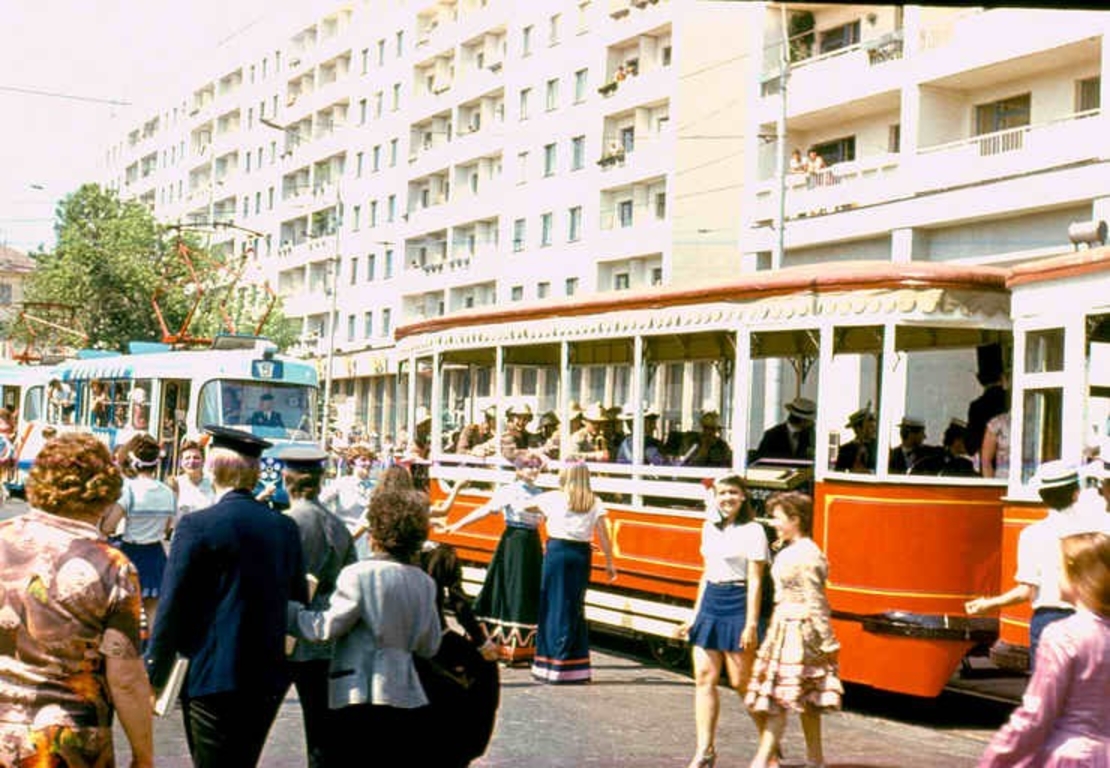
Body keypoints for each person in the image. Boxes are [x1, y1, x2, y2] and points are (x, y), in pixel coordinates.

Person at [146, 426, 308, 768]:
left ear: (212, 469)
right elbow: (297, 600)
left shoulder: (197, 525)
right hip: (266, 675)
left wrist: (153, 673)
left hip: (210, 671)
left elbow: (172, 605)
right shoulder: (284, 528)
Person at [0, 433, 154, 767]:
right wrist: (143, 756)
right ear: (105, 493)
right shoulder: (113, 567)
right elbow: (125, 680)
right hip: (66, 743)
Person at [286, 489, 442, 765]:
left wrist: (290, 611)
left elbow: (325, 628)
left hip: (357, 690)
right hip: (405, 692)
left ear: (376, 533)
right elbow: (430, 645)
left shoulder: (358, 574)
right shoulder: (424, 583)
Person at [978, 531, 1110, 767]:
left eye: (1059, 570)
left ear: (1078, 576)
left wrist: (994, 759)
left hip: (1070, 757)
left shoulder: (1063, 635)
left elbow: (1036, 716)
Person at [965, 461, 1098, 668]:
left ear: (1043, 496)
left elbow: (1026, 591)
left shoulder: (1032, 535)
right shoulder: (1094, 530)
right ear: (1076, 493)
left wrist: (989, 604)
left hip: (1047, 620)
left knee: (1047, 689)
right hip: (1090, 619)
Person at [676, 475, 769, 768]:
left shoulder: (754, 530)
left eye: (733, 492)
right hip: (711, 603)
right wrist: (694, 615)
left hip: (738, 603)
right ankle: (705, 750)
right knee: (704, 678)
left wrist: (751, 624)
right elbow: (706, 573)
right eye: (722, 493)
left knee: (743, 683)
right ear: (714, 497)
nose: (727, 497)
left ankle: (770, 743)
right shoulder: (709, 528)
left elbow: (756, 580)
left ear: (743, 497)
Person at [748, 492, 843, 768]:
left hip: (799, 632)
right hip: (786, 629)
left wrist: (828, 642)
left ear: (795, 519)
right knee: (805, 699)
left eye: (778, 518)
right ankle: (815, 760)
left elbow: (816, 602)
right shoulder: (793, 550)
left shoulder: (807, 555)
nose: (774, 523)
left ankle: (760, 762)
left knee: (781, 699)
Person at [279, 446, 358, 768]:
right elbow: (350, 578)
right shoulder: (338, 525)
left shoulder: (285, 523)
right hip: (324, 636)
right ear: (321, 481)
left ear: (286, 481)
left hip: (286, 632)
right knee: (322, 732)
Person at [443, 452, 547, 665]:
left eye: (536, 467)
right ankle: (503, 644)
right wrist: (458, 524)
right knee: (510, 588)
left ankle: (524, 648)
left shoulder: (540, 493)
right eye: (529, 467)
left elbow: (549, 518)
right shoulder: (509, 491)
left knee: (528, 589)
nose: (534, 471)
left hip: (531, 543)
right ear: (518, 470)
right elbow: (485, 510)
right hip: (514, 542)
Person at [530, 462, 618, 684]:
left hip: (557, 552)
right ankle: (574, 667)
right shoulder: (594, 501)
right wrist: (609, 562)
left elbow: (525, 507)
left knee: (553, 604)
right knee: (574, 607)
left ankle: (549, 664)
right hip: (580, 555)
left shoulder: (553, 498)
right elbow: (604, 535)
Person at [419, 540, 501, 767]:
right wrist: (483, 643)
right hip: (441, 637)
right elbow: (460, 605)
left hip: (409, 644)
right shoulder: (445, 554)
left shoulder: (408, 559)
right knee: (485, 672)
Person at [100, 433, 177, 635]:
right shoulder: (168, 492)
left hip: (131, 552)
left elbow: (108, 527)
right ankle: (150, 658)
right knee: (152, 610)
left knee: (124, 611)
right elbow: (169, 526)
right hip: (156, 554)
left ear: (133, 461)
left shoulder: (129, 490)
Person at [320, 442, 377, 558]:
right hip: (343, 540)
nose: (368, 463)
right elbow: (320, 501)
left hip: (367, 544)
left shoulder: (376, 487)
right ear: (352, 463)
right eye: (363, 460)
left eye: (370, 460)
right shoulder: (342, 483)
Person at [966, 342, 1009, 460]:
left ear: (980, 379)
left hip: (987, 464)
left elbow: (971, 447)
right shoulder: (1010, 401)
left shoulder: (976, 407)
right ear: (1003, 376)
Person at [168, 438, 216, 524]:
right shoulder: (175, 483)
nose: (191, 461)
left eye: (196, 458)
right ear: (181, 462)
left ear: (203, 461)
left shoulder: (213, 483)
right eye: (187, 458)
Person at [755, 397, 815, 463]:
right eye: (810, 420)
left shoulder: (810, 435)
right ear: (802, 420)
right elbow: (760, 460)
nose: (812, 423)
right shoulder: (772, 435)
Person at [834, 406, 876, 473]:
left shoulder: (879, 448)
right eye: (871, 427)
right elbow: (839, 472)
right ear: (858, 429)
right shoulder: (846, 450)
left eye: (874, 427)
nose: (874, 430)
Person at [980, 411, 1011, 479]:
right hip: (1004, 481)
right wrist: (991, 487)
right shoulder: (998, 422)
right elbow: (986, 462)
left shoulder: (1037, 422)